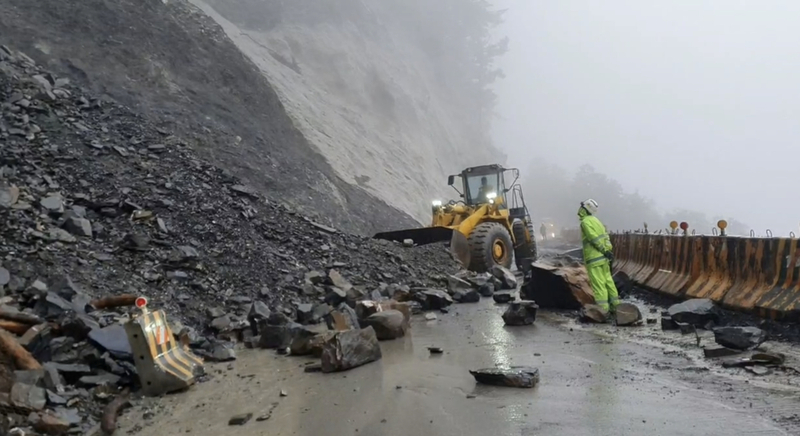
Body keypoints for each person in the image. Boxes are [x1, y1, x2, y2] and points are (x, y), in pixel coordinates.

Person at [578, 199, 619, 315]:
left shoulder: (585, 222)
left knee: (599, 285)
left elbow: (593, 238)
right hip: (604, 258)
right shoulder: (597, 221)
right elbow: (606, 236)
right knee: (608, 282)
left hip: (594, 258)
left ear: (585, 209)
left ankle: (603, 311)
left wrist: (602, 250)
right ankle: (616, 307)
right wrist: (607, 251)